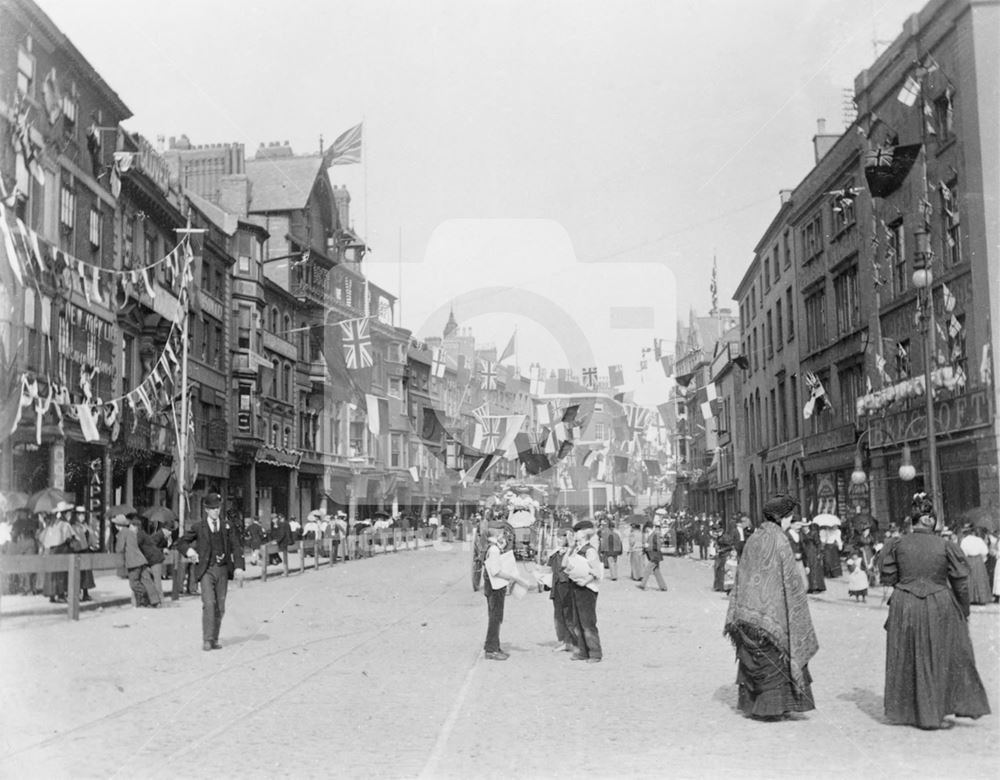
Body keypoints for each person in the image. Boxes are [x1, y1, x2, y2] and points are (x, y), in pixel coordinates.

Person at [880, 493, 990, 729]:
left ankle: (907, 710)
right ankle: (935, 711)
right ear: (929, 520)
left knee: (908, 654)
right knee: (942, 654)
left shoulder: (897, 544)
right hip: (938, 602)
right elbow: (960, 582)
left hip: (905, 603)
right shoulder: (946, 545)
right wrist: (964, 611)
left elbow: (888, 577)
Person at [724, 493, 818, 721]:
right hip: (773, 616)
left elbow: (743, 575)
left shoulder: (755, 537)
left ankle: (754, 704)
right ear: (781, 518)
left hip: (749, 614)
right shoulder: (780, 540)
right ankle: (774, 707)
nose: (789, 521)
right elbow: (791, 582)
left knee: (759, 658)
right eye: (789, 517)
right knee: (777, 657)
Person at [177, 493, 245, 651]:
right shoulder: (198, 527)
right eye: (212, 508)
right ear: (206, 510)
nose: (216, 511)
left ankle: (214, 638)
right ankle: (207, 639)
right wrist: (190, 552)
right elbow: (181, 542)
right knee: (209, 603)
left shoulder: (227, 526)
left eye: (218, 508)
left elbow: (236, 546)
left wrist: (239, 567)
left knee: (220, 607)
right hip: (206, 570)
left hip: (222, 569)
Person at [481, 522, 530, 661]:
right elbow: (496, 571)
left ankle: (494, 646)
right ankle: (491, 650)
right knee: (495, 618)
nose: (504, 535)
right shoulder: (495, 550)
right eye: (502, 532)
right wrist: (512, 577)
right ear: (496, 533)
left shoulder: (491, 547)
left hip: (491, 586)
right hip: (496, 586)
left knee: (494, 616)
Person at [564, 519, 603, 663]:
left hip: (587, 588)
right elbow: (566, 564)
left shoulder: (590, 550)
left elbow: (597, 571)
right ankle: (582, 651)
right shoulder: (577, 549)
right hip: (576, 586)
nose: (575, 534)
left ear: (585, 533)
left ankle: (595, 653)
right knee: (577, 622)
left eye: (578, 531)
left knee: (588, 622)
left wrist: (584, 581)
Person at [113, 512, 160, 608]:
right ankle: (155, 601)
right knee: (147, 580)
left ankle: (145, 598)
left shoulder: (122, 533)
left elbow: (119, 548)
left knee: (134, 584)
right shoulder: (131, 532)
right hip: (141, 560)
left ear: (117, 525)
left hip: (133, 562)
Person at [546, 529, 577, 653]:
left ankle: (574, 641)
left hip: (567, 586)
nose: (559, 540)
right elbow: (548, 567)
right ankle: (565, 641)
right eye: (558, 537)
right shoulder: (554, 553)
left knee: (569, 614)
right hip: (556, 586)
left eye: (562, 537)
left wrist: (570, 548)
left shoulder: (573, 552)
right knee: (559, 615)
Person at [70, 506, 99, 601]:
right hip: (77, 551)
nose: (81, 516)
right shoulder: (73, 526)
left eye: (83, 514)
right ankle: (77, 593)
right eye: (79, 514)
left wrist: (90, 534)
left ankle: (86, 593)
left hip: (85, 550)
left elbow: (92, 539)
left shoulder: (86, 526)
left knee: (86, 573)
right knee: (78, 573)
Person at [959, 528, 991, 606]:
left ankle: (971, 598)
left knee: (970, 578)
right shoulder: (979, 540)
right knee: (980, 578)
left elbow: (962, 552)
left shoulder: (964, 540)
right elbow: (985, 551)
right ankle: (981, 598)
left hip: (969, 559)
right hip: (978, 560)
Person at [638, 518, 667, 591]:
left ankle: (642, 584)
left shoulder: (654, 535)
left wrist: (648, 546)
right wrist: (644, 550)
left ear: (648, 528)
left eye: (646, 529)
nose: (646, 531)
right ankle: (663, 587)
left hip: (655, 556)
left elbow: (658, 546)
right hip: (654, 556)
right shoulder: (652, 535)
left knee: (647, 570)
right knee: (656, 572)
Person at [801, 521, 826, 594]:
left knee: (814, 569)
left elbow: (818, 543)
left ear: (808, 526)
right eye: (803, 526)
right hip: (805, 552)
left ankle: (816, 587)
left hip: (813, 552)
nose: (804, 528)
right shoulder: (801, 534)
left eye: (806, 526)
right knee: (806, 569)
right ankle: (809, 586)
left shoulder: (813, 533)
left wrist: (818, 553)